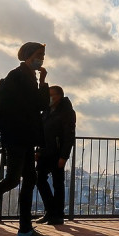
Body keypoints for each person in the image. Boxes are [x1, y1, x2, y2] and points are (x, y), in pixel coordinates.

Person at [0, 42, 51, 236]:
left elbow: (36, 105)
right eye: (39, 54)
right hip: (18, 136)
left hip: (21, 136)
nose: (41, 58)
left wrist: (41, 82)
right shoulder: (20, 77)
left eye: (43, 54)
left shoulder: (25, 76)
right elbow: (40, 104)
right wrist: (43, 83)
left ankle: (25, 228)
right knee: (13, 179)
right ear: (28, 55)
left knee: (29, 179)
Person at [35, 85, 75, 225]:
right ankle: (50, 210)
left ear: (59, 96)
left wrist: (64, 156)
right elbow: (41, 131)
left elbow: (69, 136)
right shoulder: (46, 111)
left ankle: (57, 215)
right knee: (39, 179)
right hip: (44, 151)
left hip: (57, 153)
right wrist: (38, 150)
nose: (50, 98)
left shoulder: (67, 112)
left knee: (58, 183)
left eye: (52, 95)